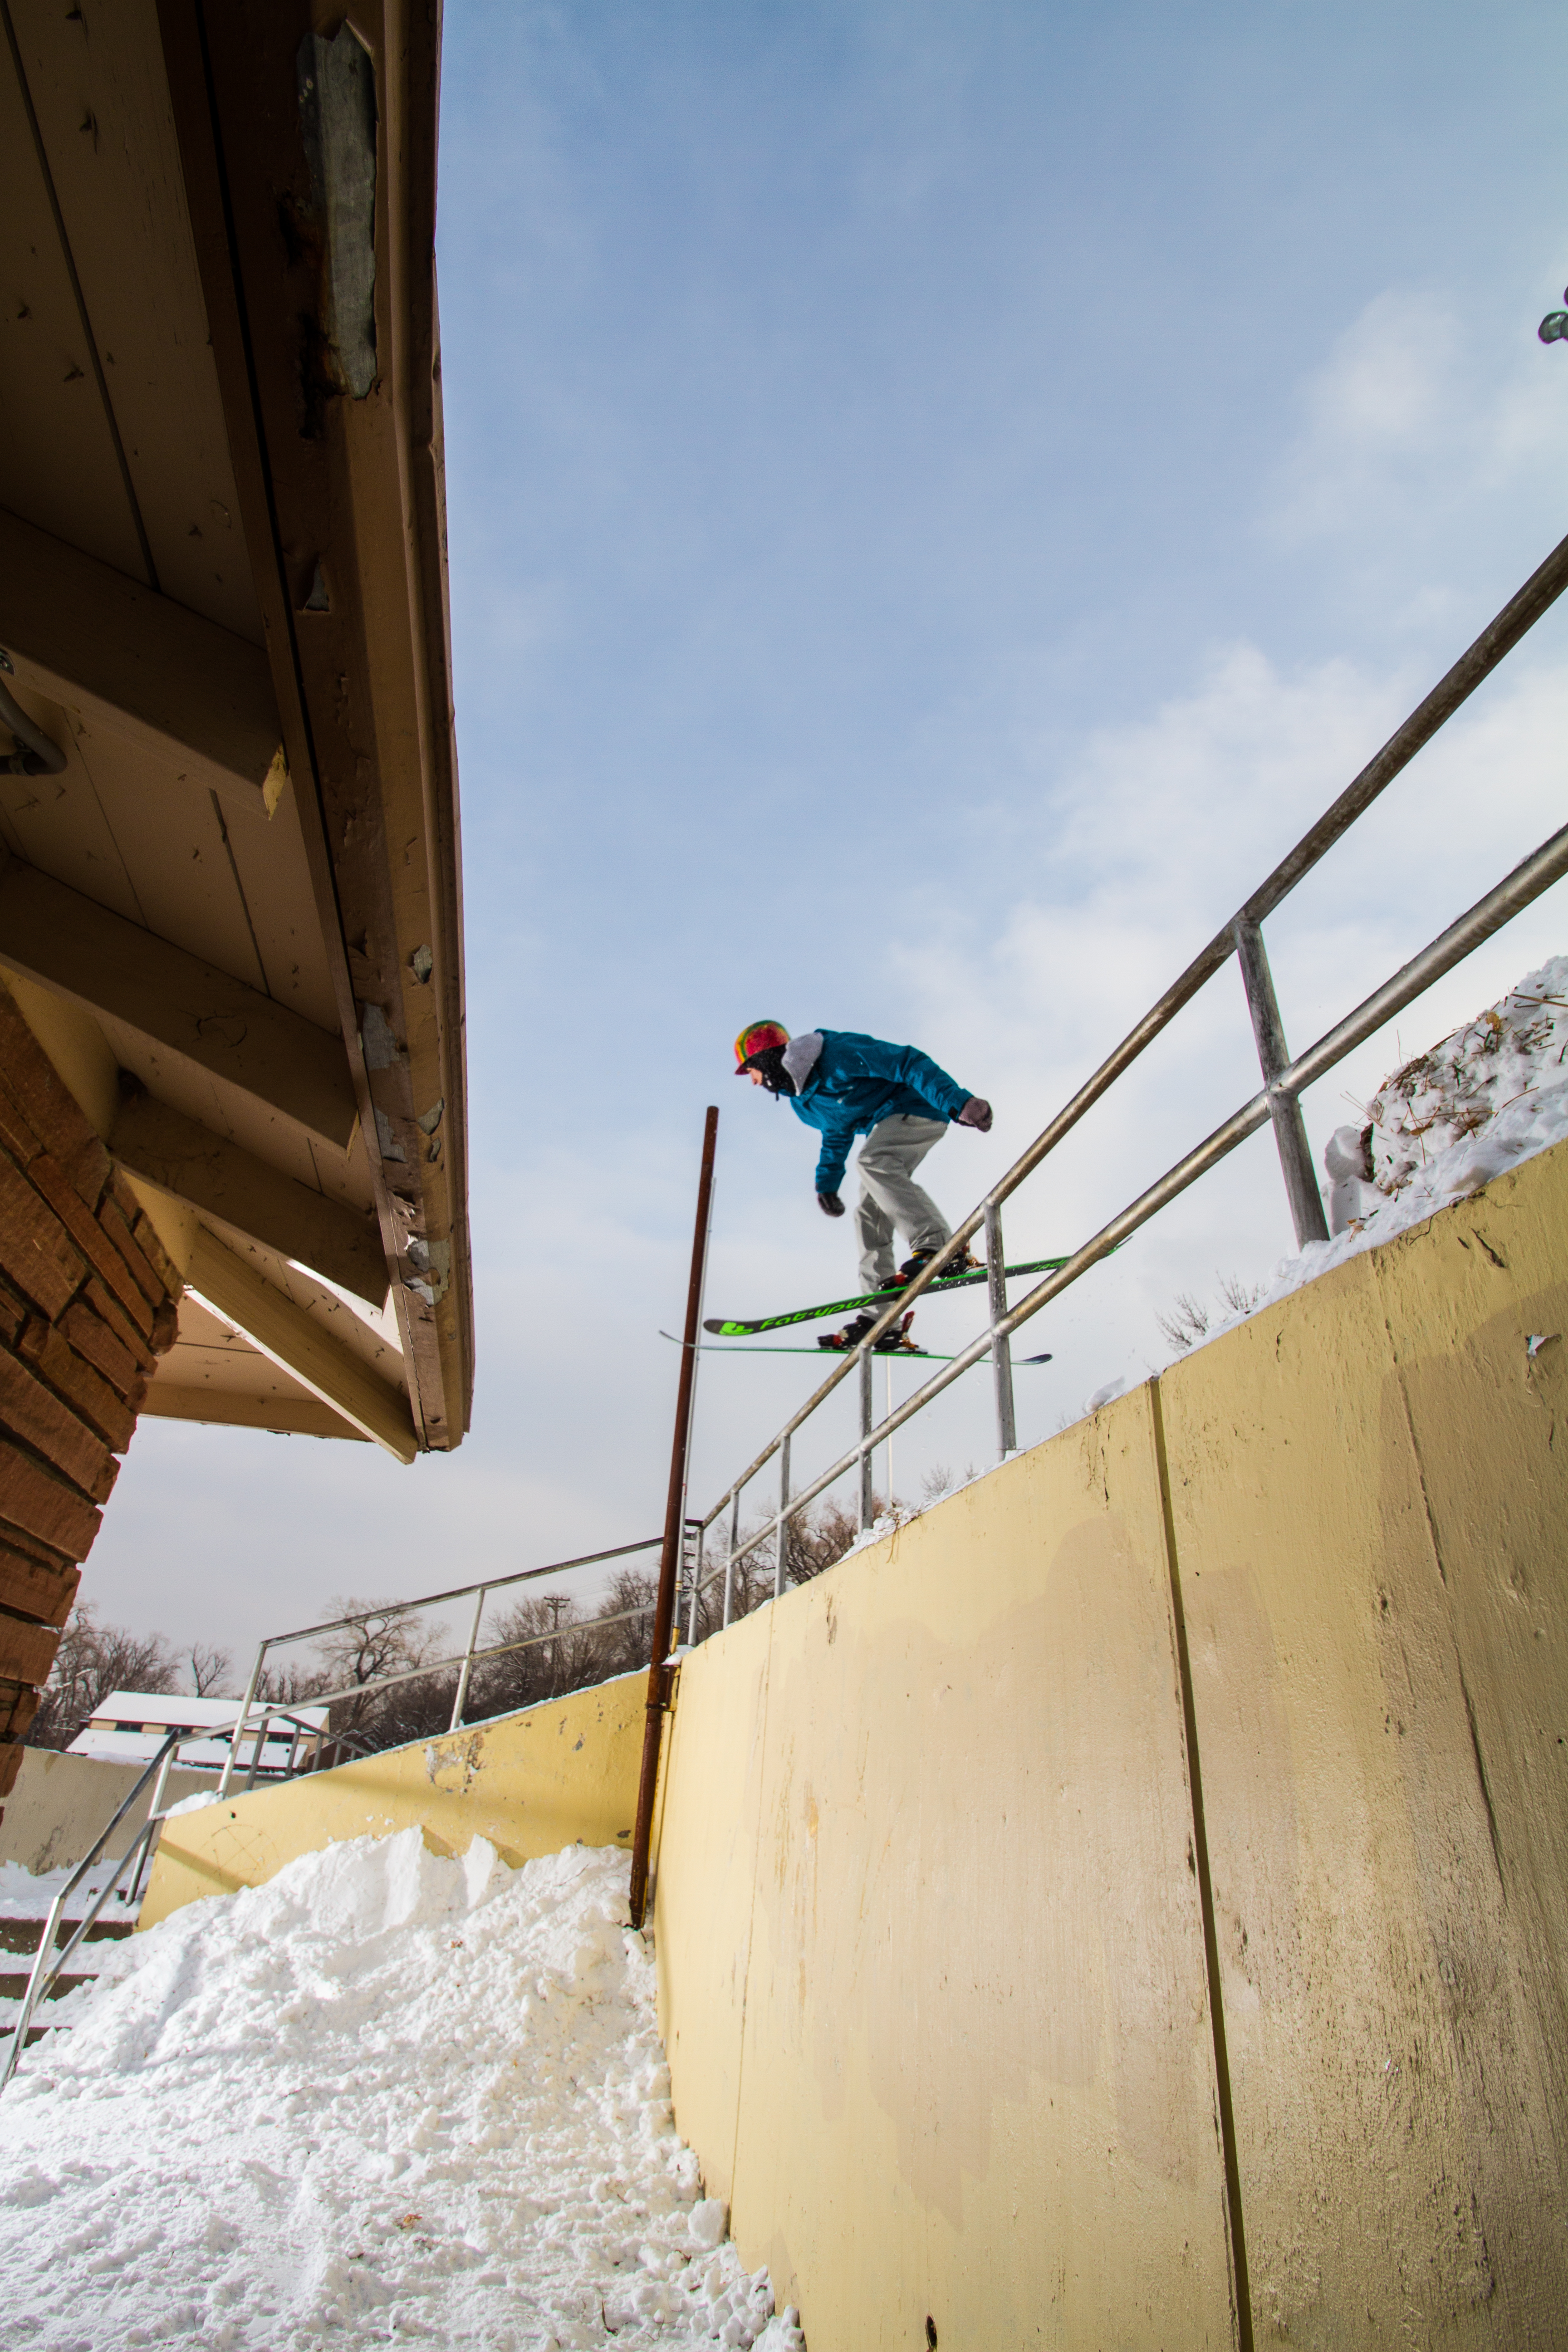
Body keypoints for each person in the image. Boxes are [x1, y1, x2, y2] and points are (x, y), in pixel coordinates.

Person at [732, 1020, 993, 1349]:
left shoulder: (835, 1054)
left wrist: (959, 1102)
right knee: (868, 1215)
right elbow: (836, 1132)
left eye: (751, 1072)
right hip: (885, 1125)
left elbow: (907, 1062)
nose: (754, 1083)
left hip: (918, 1107)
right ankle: (882, 1320)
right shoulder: (803, 1103)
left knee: (873, 1162)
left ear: (767, 1060)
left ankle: (941, 1246)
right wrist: (826, 1183)